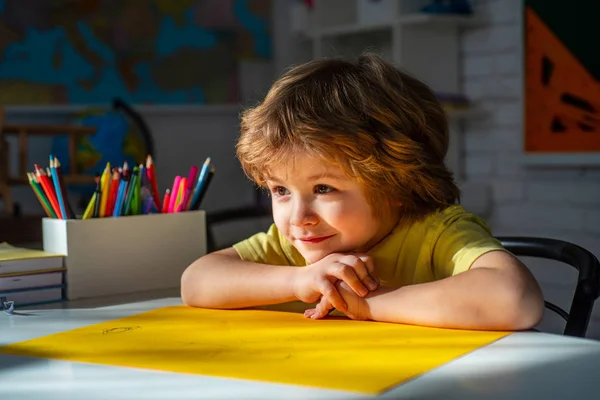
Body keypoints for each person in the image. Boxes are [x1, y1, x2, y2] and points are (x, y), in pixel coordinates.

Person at [181, 53, 544, 331]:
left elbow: (514, 298)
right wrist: (297, 280)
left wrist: (369, 305)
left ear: (397, 184)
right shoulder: (294, 245)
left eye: (323, 188)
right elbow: (196, 281)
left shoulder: (436, 233)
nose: (298, 218)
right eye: (280, 190)